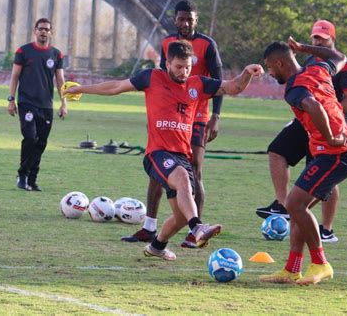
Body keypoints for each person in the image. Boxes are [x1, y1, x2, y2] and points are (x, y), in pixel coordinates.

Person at [65, 40, 264, 260]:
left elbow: (232, 87)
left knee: (179, 217)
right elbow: (116, 87)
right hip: (157, 154)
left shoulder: (198, 84)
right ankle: (197, 227)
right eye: (179, 66)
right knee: (183, 180)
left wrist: (247, 73)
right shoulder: (152, 78)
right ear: (167, 63)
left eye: (187, 67)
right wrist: (81, 88)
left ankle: (157, 246)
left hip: (181, 156)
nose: (184, 71)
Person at [122, 0, 223, 248]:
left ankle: (194, 229)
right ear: (175, 19)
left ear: (195, 20)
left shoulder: (208, 44)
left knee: (194, 170)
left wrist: (215, 117)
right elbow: (160, 81)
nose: (185, 23)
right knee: (161, 173)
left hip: (197, 116)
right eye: (181, 18)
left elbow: (220, 83)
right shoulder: (167, 43)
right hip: (169, 118)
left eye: (189, 19)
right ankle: (150, 227)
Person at [260, 38, 347, 285]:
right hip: (331, 153)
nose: (270, 73)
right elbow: (339, 55)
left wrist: (332, 137)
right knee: (297, 208)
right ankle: (292, 269)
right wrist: (304, 48)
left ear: (279, 63)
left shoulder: (294, 89)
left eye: (270, 67)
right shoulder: (318, 69)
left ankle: (320, 263)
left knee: (294, 204)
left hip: (337, 154)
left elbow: (313, 106)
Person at [7, 18, 67, 191]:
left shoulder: (56, 54)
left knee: (41, 142)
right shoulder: (24, 51)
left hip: (46, 105)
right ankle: (22, 175)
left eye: (46, 29)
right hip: (27, 102)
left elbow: (60, 79)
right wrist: (11, 100)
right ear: (35, 31)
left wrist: (64, 103)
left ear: (51, 32)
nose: (43, 32)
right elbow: (15, 76)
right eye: (40, 29)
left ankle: (32, 179)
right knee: (30, 138)